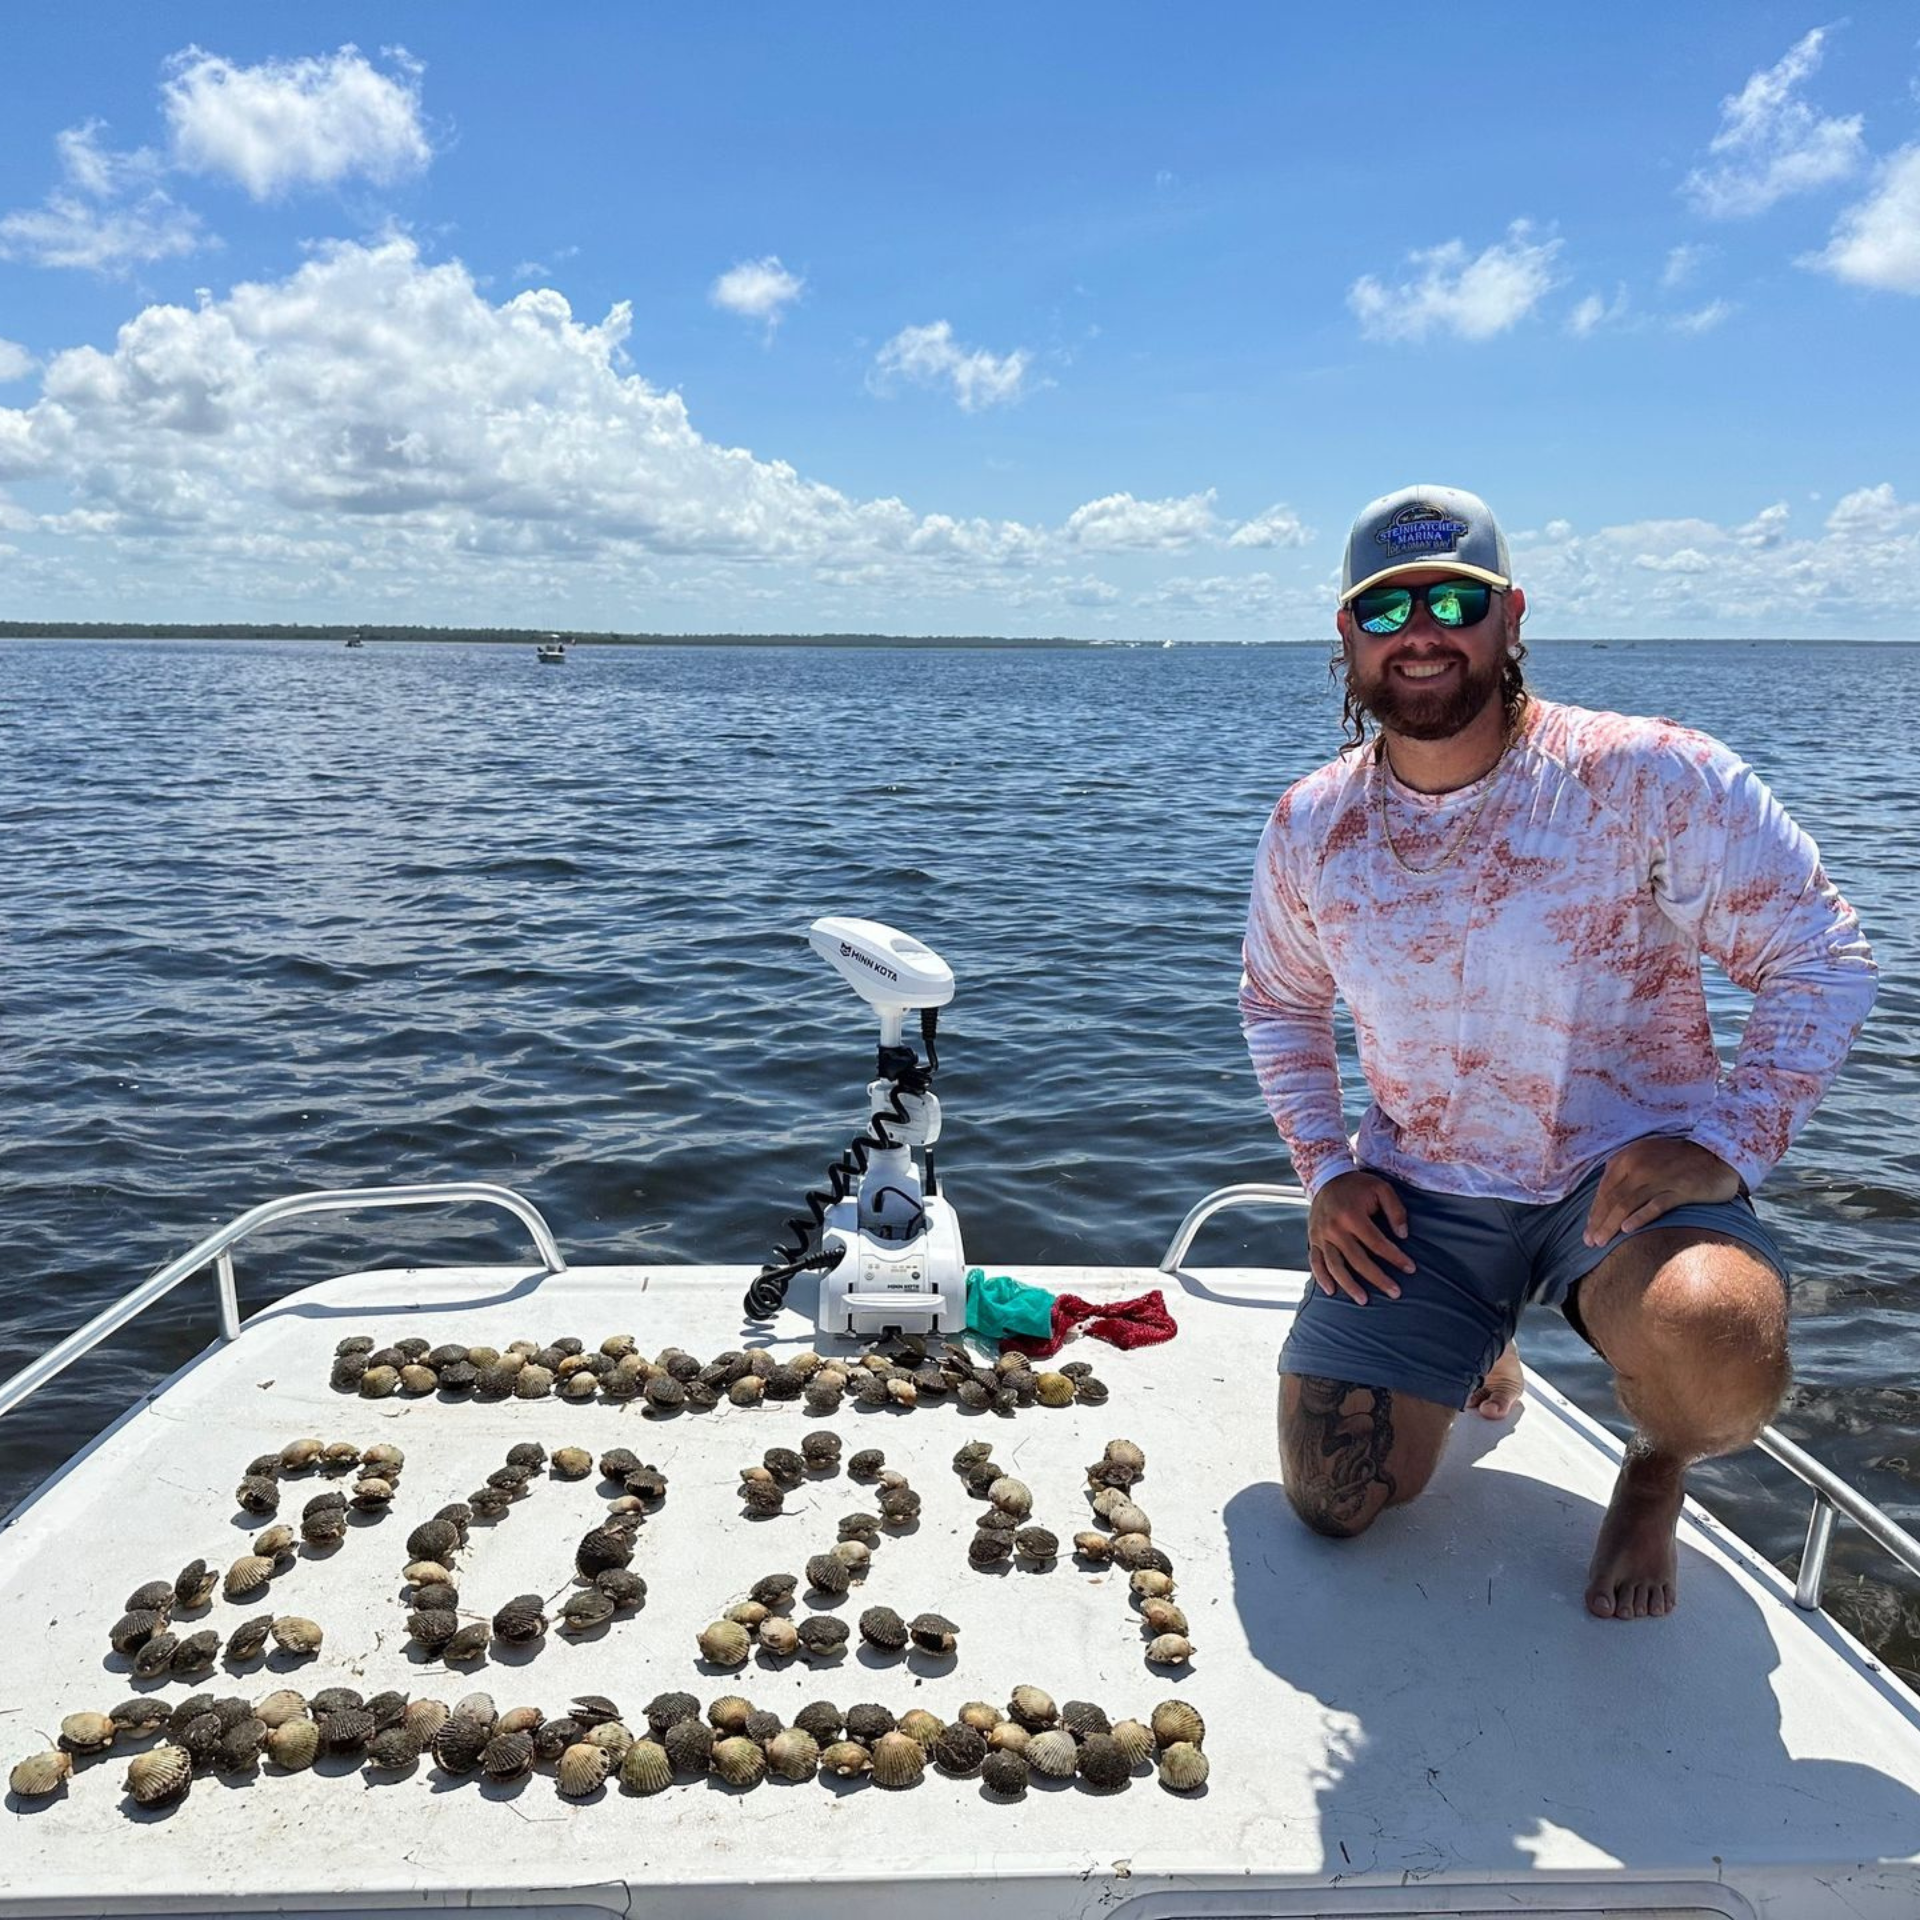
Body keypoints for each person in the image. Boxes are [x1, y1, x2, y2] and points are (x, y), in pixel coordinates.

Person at [1239, 483, 1877, 1619]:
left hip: (1622, 1189)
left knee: (1720, 1347)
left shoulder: (1651, 777)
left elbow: (1822, 957)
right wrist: (1328, 1172)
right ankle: (1482, 1338)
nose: (1421, 632)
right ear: (1346, 636)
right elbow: (1280, 1005)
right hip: (1420, 1195)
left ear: (1510, 616)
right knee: (1333, 1500)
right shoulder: (1310, 825)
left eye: (1454, 600)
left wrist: (1728, 1144)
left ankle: (1657, 1464)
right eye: (1387, 612)